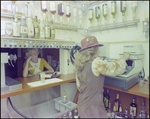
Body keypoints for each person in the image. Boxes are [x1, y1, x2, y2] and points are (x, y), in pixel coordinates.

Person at [74, 36, 129, 118]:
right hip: (93, 107)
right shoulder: (96, 63)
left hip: (82, 104)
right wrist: (124, 58)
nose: (99, 51)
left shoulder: (79, 65)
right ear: (93, 51)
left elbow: (79, 87)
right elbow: (114, 68)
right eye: (98, 49)